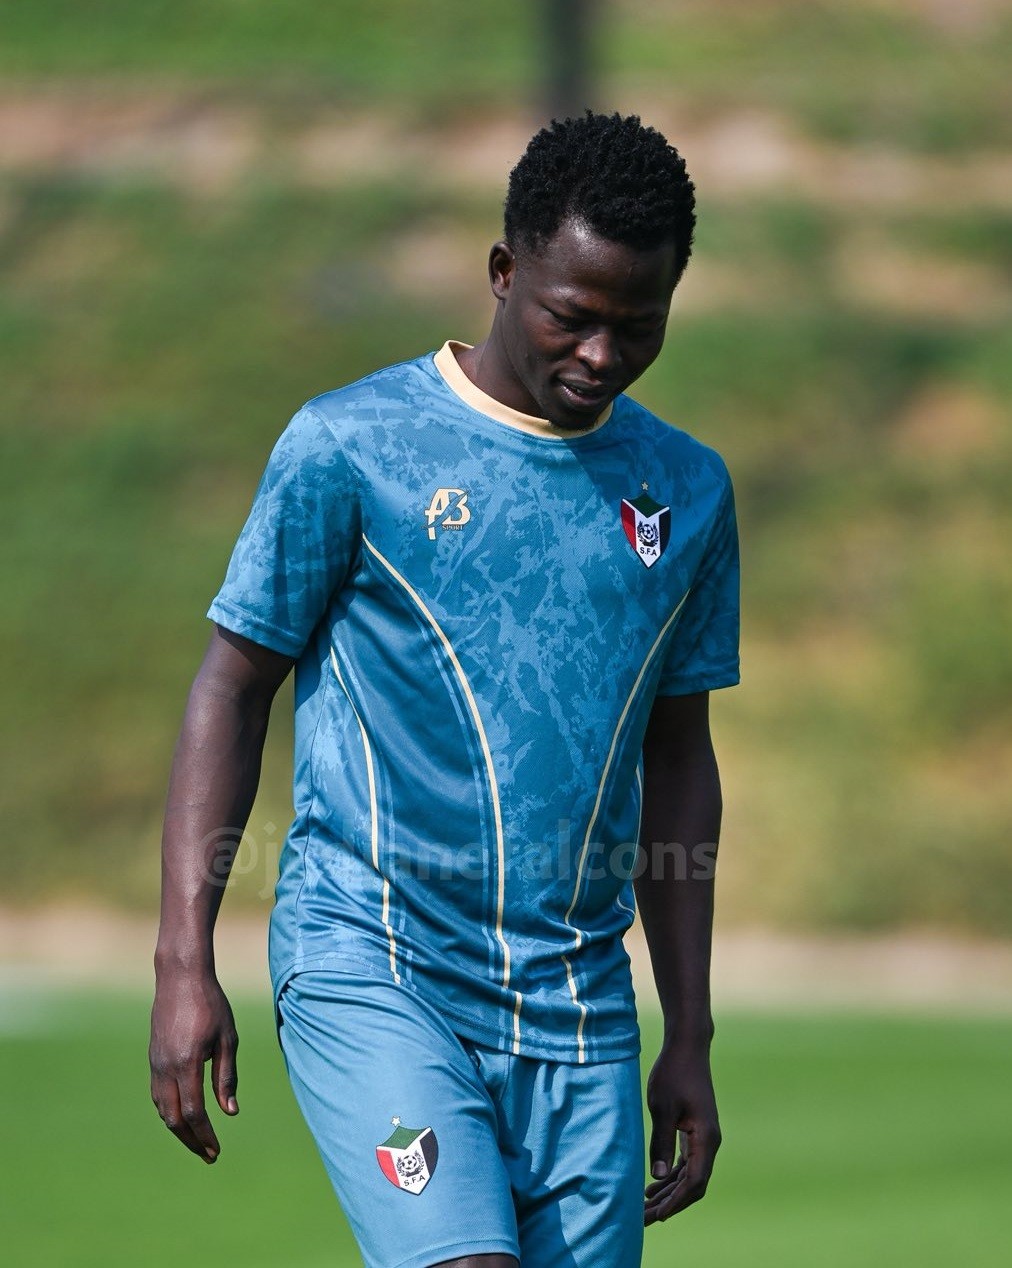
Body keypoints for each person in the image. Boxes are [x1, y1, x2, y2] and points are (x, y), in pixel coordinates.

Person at [149, 111, 739, 1268]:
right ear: (504, 271)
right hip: (375, 960)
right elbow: (231, 685)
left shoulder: (686, 489)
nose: (602, 354)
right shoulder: (350, 447)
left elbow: (678, 756)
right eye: (572, 315)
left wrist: (689, 1029)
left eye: (638, 325)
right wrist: (183, 960)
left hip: (577, 1003)